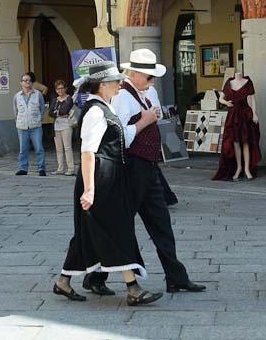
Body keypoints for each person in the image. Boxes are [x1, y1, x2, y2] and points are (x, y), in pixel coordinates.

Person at [84, 49, 205, 295]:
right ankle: (95, 274)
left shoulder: (149, 91)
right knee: (117, 223)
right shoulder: (121, 97)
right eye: (149, 77)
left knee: (161, 222)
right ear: (136, 74)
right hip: (130, 168)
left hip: (150, 167)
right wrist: (147, 120)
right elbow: (120, 137)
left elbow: (155, 116)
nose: (152, 82)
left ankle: (176, 276)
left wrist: (153, 118)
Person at [54, 61, 163, 306]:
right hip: (100, 178)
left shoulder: (104, 107)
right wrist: (90, 189)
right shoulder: (95, 111)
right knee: (117, 228)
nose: (120, 84)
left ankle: (63, 281)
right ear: (103, 85)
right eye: (116, 81)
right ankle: (132, 288)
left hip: (109, 176)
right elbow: (87, 153)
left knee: (91, 232)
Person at [213, 69, 260, 181]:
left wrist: (254, 114)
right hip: (233, 115)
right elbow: (220, 98)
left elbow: (253, 99)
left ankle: (247, 169)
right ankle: (239, 168)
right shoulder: (229, 83)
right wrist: (226, 102)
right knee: (236, 143)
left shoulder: (248, 82)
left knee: (246, 142)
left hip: (245, 114)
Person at [14, 72, 47, 176]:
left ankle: (41, 168)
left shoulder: (38, 94)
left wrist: (39, 119)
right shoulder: (17, 96)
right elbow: (15, 111)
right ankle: (23, 168)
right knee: (23, 149)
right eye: (25, 80)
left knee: (39, 148)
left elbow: (42, 108)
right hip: (22, 127)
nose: (27, 82)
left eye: (29, 80)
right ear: (21, 83)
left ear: (32, 83)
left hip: (35, 126)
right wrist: (19, 121)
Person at [49, 79, 77, 176]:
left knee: (67, 147)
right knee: (59, 148)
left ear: (65, 89)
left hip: (66, 125)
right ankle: (60, 168)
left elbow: (64, 110)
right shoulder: (55, 100)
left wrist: (57, 112)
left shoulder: (69, 98)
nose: (60, 91)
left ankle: (71, 168)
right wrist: (59, 113)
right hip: (56, 126)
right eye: (58, 89)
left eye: (61, 88)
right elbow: (50, 113)